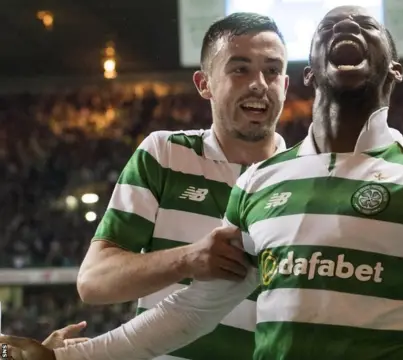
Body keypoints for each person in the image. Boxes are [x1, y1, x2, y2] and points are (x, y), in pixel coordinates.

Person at [0, 5, 403, 360]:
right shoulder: (260, 182)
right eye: (330, 29)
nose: (347, 28)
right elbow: (190, 312)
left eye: (367, 29)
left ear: (392, 74)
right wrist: (64, 357)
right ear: (312, 75)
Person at [39, 12, 288, 360]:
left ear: (286, 85)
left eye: (272, 70)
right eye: (240, 68)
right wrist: (188, 259)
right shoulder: (165, 155)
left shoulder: (302, 176)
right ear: (205, 84)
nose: (259, 83)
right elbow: (93, 282)